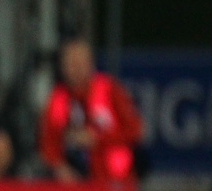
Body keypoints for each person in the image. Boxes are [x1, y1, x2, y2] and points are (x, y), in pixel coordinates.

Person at [38, 37, 142, 183]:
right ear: (62, 67)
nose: (76, 69)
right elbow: (47, 141)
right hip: (72, 182)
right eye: (71, 64)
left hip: (113, 179)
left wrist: (96, 138)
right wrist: (59, 167)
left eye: (80, 63)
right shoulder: (58, 98)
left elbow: (135, 130)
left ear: (90, 63)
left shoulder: (109, 90)